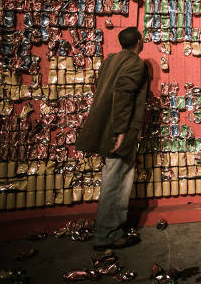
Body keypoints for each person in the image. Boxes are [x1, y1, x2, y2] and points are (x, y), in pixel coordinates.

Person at [76, 27, 149, 251]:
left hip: (106, 128)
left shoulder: (110, 61)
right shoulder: (136, 64)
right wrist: (120, 132)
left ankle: (109, 231)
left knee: (113, 177)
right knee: (116, 181)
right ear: (139, 42)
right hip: (119, 132)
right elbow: (124, 96)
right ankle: (108, 234)